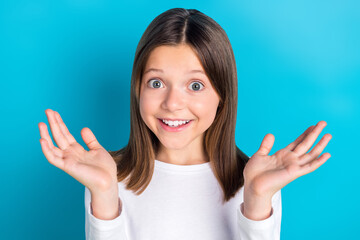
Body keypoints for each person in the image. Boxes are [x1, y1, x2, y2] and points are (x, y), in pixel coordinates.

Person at [38, 8, 332, 240]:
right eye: (156, 82)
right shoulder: (107, 177)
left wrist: (256, 203)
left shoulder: (255, 182)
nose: (172, 103)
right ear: (137, 90)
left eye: (195, 85)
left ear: (222, 96)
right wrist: (104, 195)